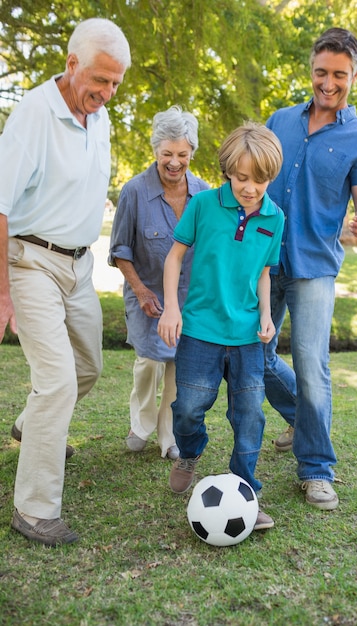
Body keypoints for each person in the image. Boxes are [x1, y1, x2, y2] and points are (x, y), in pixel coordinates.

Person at [0, 18, 131, 546]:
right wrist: (3, 289)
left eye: (117, 83)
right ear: (72, 63)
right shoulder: (35, 113)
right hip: (30, 264)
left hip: (78, 267)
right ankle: (33, 511)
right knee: (56, 381)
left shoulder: (97, 117)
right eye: (100, 80)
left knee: (88, 367)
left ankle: (33, 427)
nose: (107, 93)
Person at [264, 27, 357, 510]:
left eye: (339, 74)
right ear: (311, 70)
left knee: (313, 367)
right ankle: (301, 418)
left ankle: (316, 470)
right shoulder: (280, 120)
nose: (328, 83)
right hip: (263, 262)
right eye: (320, 72)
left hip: (314, 269)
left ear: (354, 75)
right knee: (250, 356)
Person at [157, 122, 285, 531]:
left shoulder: (274, 217)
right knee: (189, 407)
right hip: (199, 331)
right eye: (242, 178)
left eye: (260, 180)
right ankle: (190, 452)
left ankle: (245, 491)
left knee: (249, 416)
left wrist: (266, 316)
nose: (250, 188)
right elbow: (174, 257)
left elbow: (264, 273)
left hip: (248, 336)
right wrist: (171, 309)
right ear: (228, 169)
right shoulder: (203, 205)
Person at [108, 105, 210, 460]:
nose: (174, 162)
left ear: (191, 153)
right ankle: (142, 422)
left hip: (187, 299)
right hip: (146, 293)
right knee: (149, 361)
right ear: (155, 151)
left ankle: (168, 435)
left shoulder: (204, 194)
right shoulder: (134, 191)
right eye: (167, 154)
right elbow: (120, 249)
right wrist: (140, 290)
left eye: (182, 154)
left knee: (177, 368)